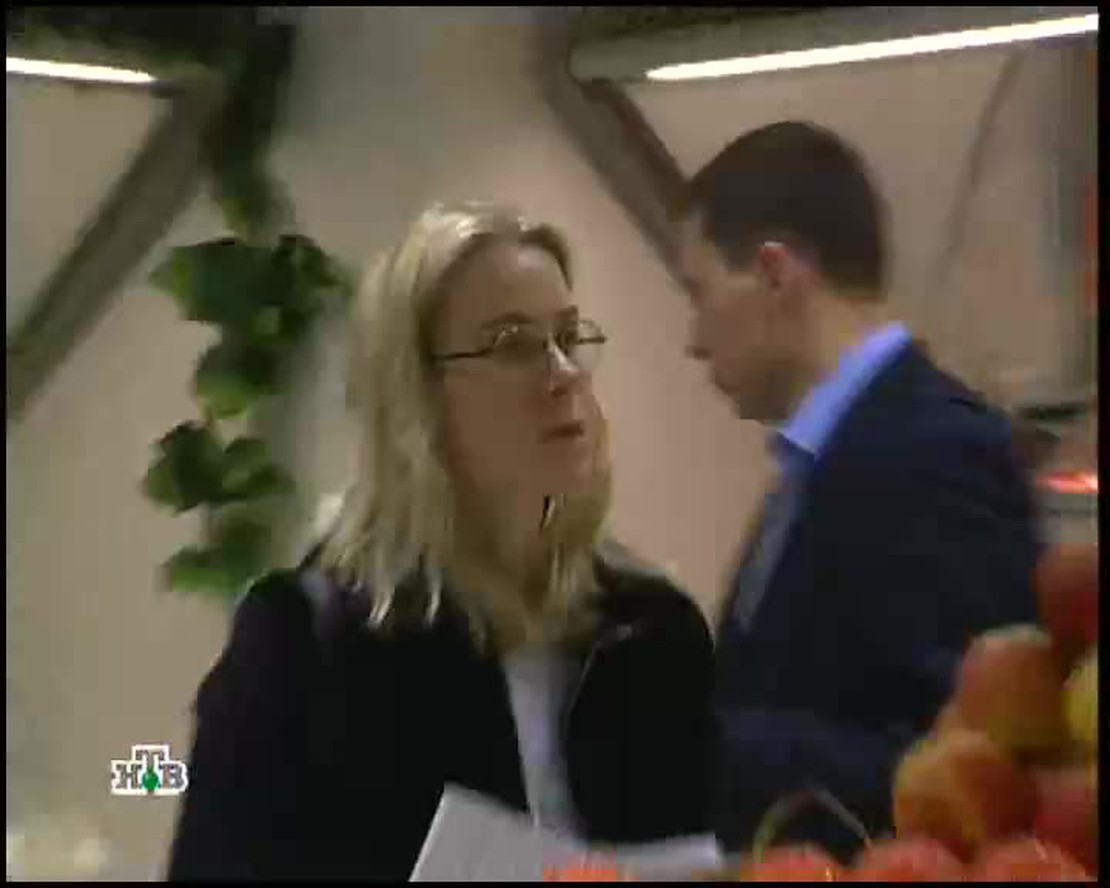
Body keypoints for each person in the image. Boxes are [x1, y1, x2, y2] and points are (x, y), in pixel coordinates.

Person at [167, 202, 714, 881]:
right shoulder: (303, 648)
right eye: (513, 344)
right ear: (417, 396)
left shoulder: (656, 633)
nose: (563, 373)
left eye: (568, 338)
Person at [675, 121, 1041, 857]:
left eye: (699, 292)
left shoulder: (932, 450)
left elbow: (966, 756)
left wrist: (698, 741)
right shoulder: (828, 457)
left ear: (775, 273)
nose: (694, 337)